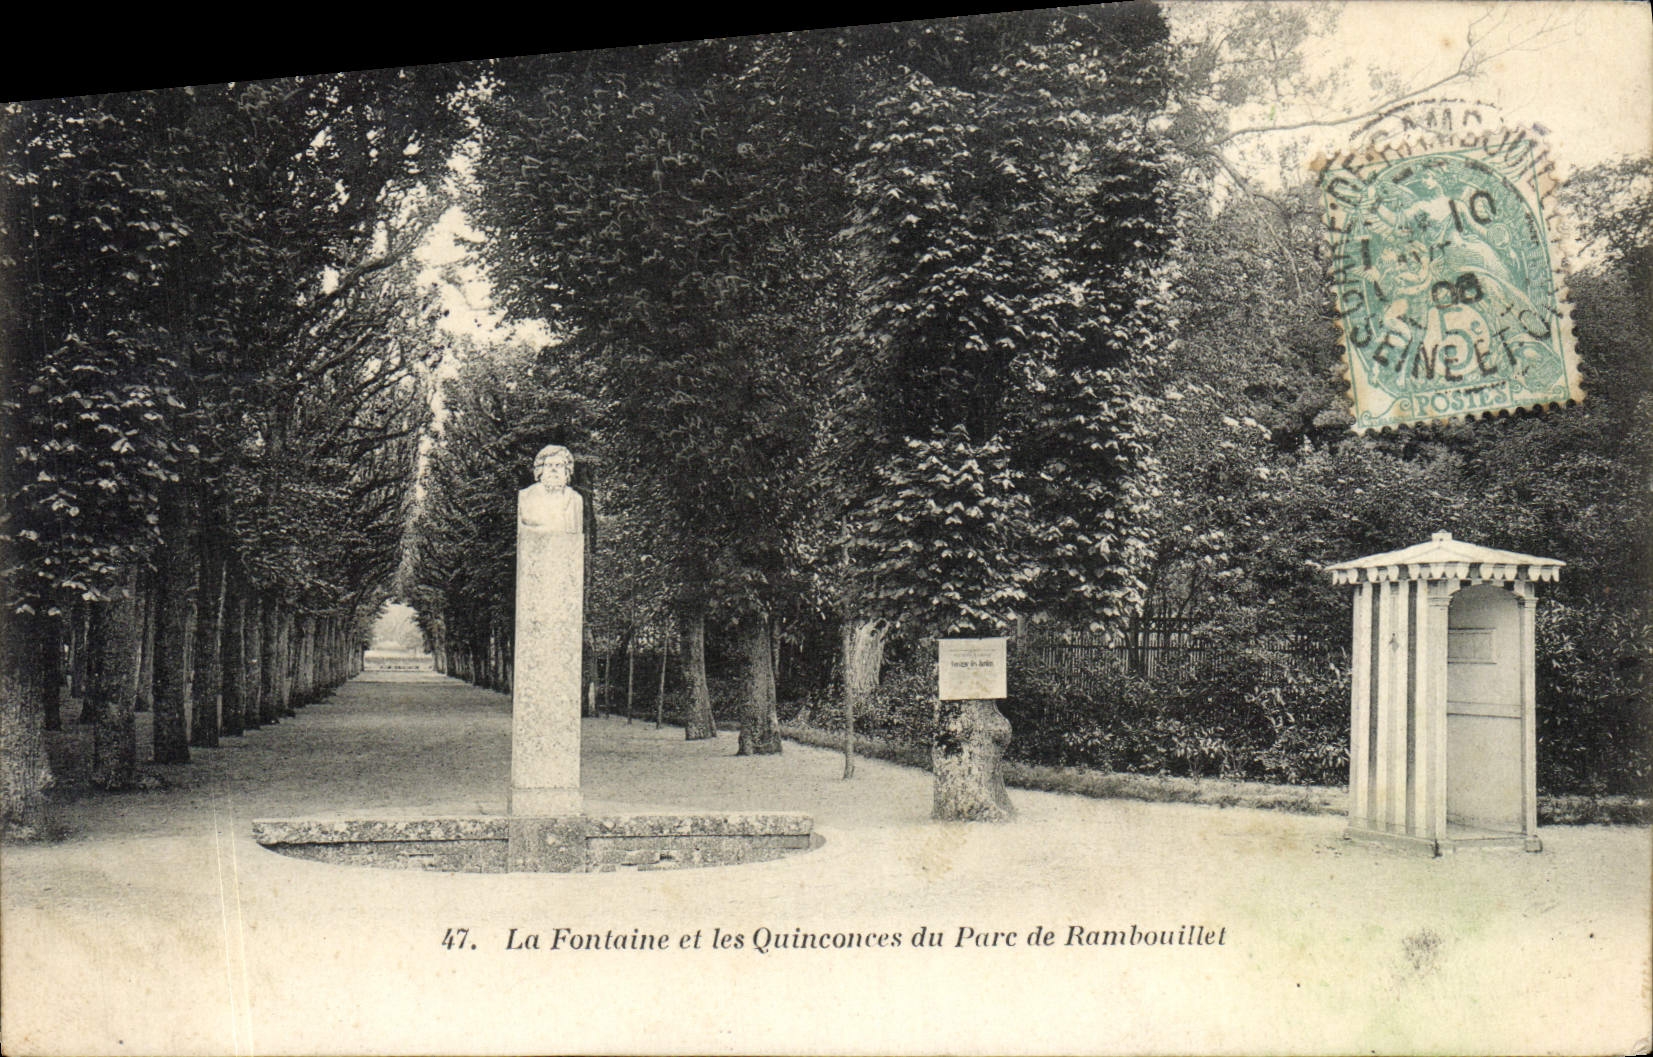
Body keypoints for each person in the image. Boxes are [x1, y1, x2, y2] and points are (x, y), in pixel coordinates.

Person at [518, 444, 583, 533]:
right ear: (541, 469)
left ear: (566, 471)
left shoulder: (576, 499)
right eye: (549, 465)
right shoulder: (526, 496)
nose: (553, 469)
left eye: (558, 465)